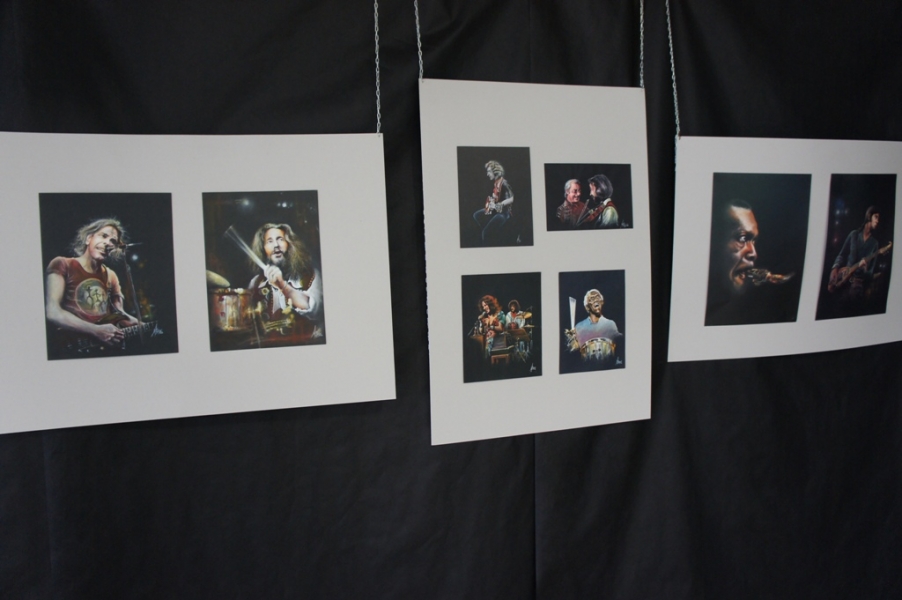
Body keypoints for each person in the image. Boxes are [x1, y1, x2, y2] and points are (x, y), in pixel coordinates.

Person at [45, 218, 140, 351]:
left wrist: (138, 324)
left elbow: (119, 314)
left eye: (113, 241)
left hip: (103, 349)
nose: (108, 243)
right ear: (88, 239)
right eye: (104, 236)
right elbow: (53, 312)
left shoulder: (111, 275)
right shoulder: (62, 264)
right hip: (70, 348)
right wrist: (95, 330)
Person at [248, 223, 324, 341]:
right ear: (263, 249)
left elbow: (316, 310)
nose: (276, 245)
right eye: (270, 241)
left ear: (290, 244)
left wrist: (282, 285)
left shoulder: (311, 275)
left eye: (280, 239)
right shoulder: (256, 283)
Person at [829, 206, 883, 297]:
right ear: (869, 216)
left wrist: (865, 270)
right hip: (843, 279)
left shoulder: (874, 244)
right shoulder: (853, 235)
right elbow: (841, 255)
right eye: (876, 217)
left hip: (857, 286)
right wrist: (835, 268)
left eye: (879, 218)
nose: (877, 221)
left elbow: (870, 273)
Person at [565, 289, 621, 362]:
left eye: (598, 297)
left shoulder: (610, 324)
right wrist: (571, 343)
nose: (596, 300)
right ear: (587, 307)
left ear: (602, 302)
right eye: (592, 299)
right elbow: (572, 354)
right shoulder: (579, 327)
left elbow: (620, 344)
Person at [473, 160, 514, 243]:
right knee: (477, 215)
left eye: (489, 171)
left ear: (495, 172)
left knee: (485, 233)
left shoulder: (504, 183)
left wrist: (497, 205)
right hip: (496, 210)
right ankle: (489, 230)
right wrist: (492, 203)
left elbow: (511, 199)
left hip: (504, 213)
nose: (487, 174)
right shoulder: (496, 182)